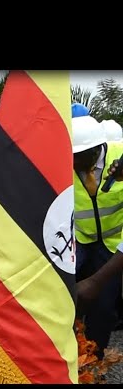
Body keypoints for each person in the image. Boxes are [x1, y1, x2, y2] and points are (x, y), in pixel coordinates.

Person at [71, 115, 123, 358]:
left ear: (95, 151)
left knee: (102, 305)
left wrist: (96, 281)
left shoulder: (119, 156)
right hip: (79, 239)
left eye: (77, 156)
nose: (71, 162)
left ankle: (93, 361)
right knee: (66, 295)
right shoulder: (66, 160)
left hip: (113, 245)